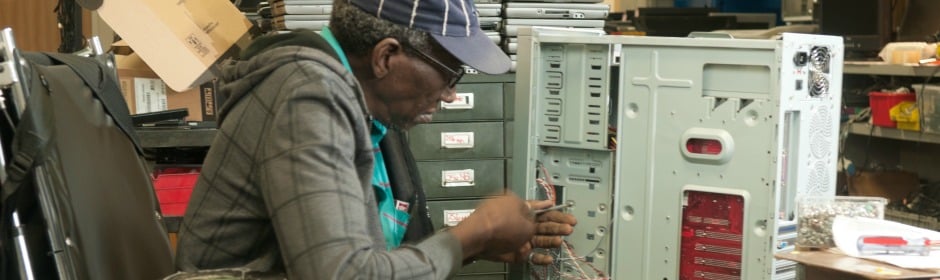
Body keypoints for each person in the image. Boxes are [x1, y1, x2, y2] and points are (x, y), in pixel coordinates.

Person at [174, 0, 577, 278]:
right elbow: (342, 274)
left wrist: (484, 240)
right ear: (386, 57)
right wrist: (473, 235)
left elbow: (372, 255)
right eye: (450, 73)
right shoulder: (306, 96)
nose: (450, 93)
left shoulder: (371, 108)